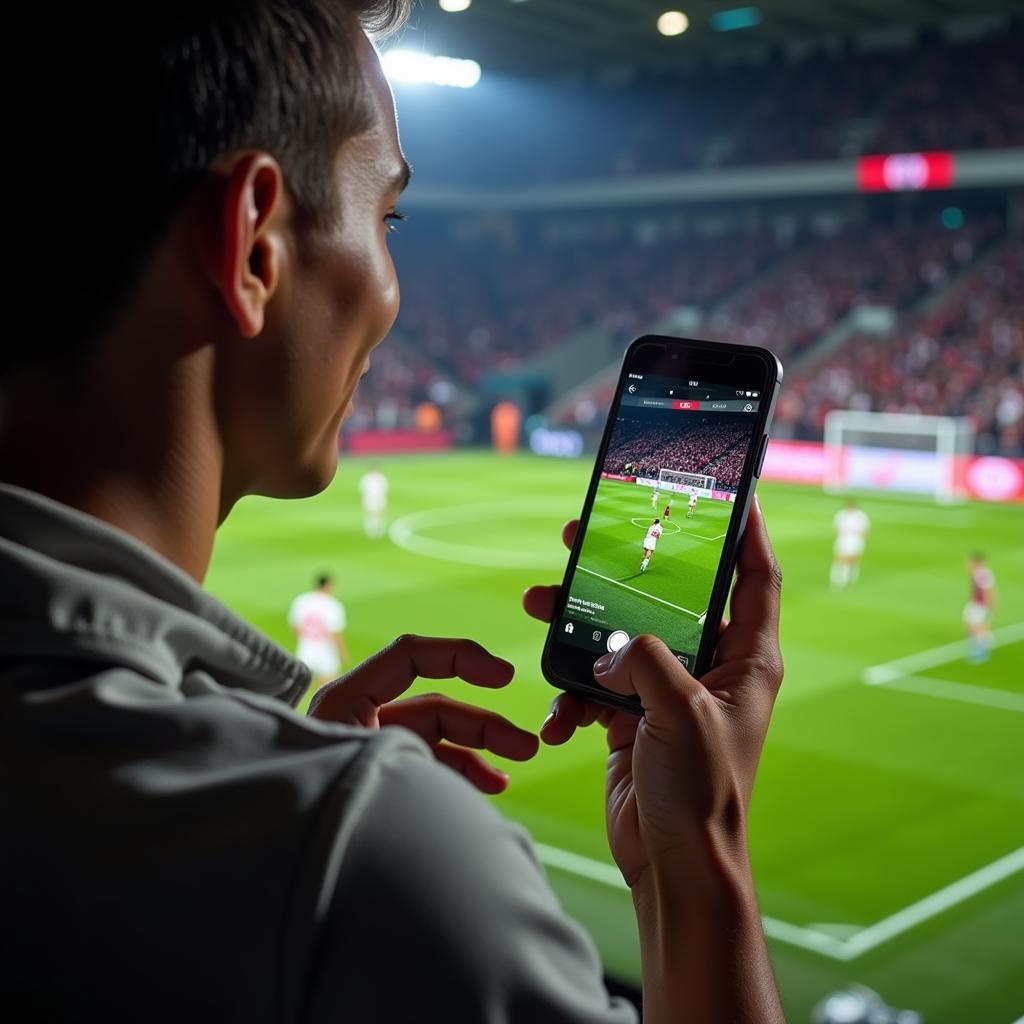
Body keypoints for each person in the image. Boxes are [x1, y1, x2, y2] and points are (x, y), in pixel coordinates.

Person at [1, 5, 786, 1022]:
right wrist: (699, 859)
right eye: (388, 220)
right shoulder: (364, 862)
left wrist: (269, 777)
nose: (393, 287)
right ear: (252, 247)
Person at [289, 574, 350, 686]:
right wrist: (343, 653)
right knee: (329, 686)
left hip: (306, 647)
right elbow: (335, 633)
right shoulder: (333, 605)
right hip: (325, 649)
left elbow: (295, 627)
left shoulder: (301, 601)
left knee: (301, 686)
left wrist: (304, 640)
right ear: (327, 585)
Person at [830, 498, 870, 589]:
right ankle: (837, 580)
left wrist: (860, 540)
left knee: (853, 560)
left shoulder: (861, 517)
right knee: (840, 558)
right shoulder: (841, 515)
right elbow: (836, 528)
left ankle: (849, 579)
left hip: (856, 540)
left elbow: (865, 531)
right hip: (844, 539)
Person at [964, 552, 997, 663]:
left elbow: (989, 591)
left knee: (977, 627)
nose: (967, 564)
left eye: (969, 562)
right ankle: (982, 643)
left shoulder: (982, 574)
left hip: (981, 605)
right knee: (968, 625)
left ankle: (982, 650)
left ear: (976, 562)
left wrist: (990, 606)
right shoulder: (976, 573)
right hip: (975, 603)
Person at [359, 465, 389, 538]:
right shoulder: (367, 478)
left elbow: (385, 488)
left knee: (379, 514)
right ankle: (370, 529)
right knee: (371, 514)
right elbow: (363, 489)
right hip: (370, 498)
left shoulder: (381, 478)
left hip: (379, 498)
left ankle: (379, 529)